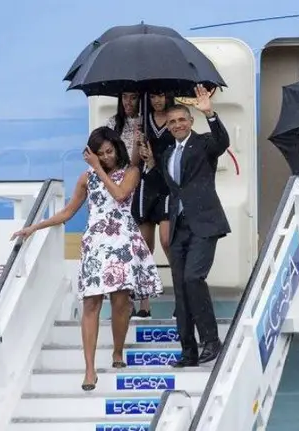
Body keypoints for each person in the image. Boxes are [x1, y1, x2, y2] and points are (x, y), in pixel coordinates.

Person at [10, 126, 163, 390]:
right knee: (90, 304)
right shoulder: (86, 178)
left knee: (119, 302)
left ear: (117, 148)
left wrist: (99, 170)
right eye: (100, 154)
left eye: (109, 151)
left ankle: (117, 351)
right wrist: (34, 227)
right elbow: (68, 212)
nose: (106, 157)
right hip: (95, 243)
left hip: (122, 241)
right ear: (91, 154)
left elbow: (119, 194)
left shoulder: (131, 172)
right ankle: (89, 370)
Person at [162, 85, 230, 367]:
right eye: (172, 122)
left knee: (193, 279)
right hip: (179, 228)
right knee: (180, 288)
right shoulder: (167, 154)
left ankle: (211, 341)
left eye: (182, 120)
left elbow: (222, 142)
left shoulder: (203, 144)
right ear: (167, 126)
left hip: (204, 224)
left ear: (190, 122)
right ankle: (188, 352)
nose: (177, 125)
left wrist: (210, 113)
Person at [105, 92, 155, 318]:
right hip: (117, 186)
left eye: (133, 98)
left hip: (141, 185)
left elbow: (137, 162)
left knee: (143, 245)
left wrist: (139, 140)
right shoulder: (112, 123)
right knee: (120, 247)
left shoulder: (148, 122)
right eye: (124, 97)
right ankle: (125, 301)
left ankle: (145, 303)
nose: (128, 102)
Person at [130, 92, 176, 319]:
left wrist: (157, 159)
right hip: (146, 186)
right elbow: (133, 162)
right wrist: (138, 145)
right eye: (154, 96)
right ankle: (144, 306)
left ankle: (182, 300)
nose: (158, 100)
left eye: (161, 96)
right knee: (144, 249)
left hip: (167, 186)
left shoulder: (176, 120)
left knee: (168, 241)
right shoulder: (144, 122)